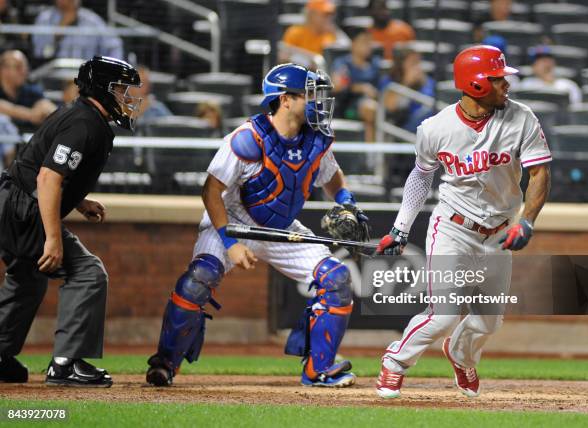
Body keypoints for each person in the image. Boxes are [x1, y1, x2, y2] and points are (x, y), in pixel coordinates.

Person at [145, 63, 370, 388]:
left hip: (279, 227)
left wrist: (345, 200)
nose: (316, 102)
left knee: (337, 279)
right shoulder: (247, 139)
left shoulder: (315, 140)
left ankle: (318, 370)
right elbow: (211, 191)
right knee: (198, 280)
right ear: (285, 100)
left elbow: (331, 176)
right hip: (233, 223)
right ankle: (164, 363)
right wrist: (229, 243)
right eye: (309, 94)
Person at [375, 46, 551, 398]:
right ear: (476, 85)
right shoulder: (435, 129)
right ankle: (395, 363)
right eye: (499, 79)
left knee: (489, 321)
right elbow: (421, 177)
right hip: (453, 228)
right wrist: (401, 227)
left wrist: (527, 222)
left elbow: (539, 173)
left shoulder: (522, 118)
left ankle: (460, 354)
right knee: (442, 316)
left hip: (499, 231)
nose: (506, 85)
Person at [0, 56, 141, 387]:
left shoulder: (84, 116)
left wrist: (78, 202)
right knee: (88, 273)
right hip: (22, 205)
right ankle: (66, 364)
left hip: (14, 200)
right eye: (121, 88)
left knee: (28, 278)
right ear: (102, 89)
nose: (127, 96)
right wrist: (52, 237)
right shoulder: (84, 122)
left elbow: (48, 170)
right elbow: (48, 177)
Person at [331, 27, 382, 142]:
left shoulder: (375, 64)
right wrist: (360, 88)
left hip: (373, 101)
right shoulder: (342, 63)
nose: (368, 46)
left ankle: (375, 152)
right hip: (348, 105)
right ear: (353, 44)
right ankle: (373, 155)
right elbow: (337, 85)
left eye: (370, 42)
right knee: (370, 108)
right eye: (364, 42)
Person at [32, 0, 123, 61]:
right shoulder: (45, 19)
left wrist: (110, 72)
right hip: (53, 78)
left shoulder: (92, 20)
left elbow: (114, 47)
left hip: (87, 77)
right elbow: (41, 53)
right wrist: (59, 31)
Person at [380, 47, 436, 134]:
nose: (417, 67)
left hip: (422, 121)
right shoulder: (389, 81)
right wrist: (406, 83)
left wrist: (425, 83)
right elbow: (389, 107)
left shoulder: (426, 81)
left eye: (418, 62)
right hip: (400, 123)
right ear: (401, 64)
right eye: (413, 63)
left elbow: (431, 101)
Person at [0, 50, 57, 131]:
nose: (24, 71)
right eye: (18, 67)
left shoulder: (32, 90)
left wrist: (49, 111)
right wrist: (30, 115)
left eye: (25, 67)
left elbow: (45, 107)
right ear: (3, 70)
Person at [281, 0, 349, 64]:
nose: (329, 18)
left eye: (330, 15)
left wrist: (335, 30)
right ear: (311, 14)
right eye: (325, 15)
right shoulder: (295, 32)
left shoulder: (331, 35)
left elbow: (347, 48)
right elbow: (284, 56)